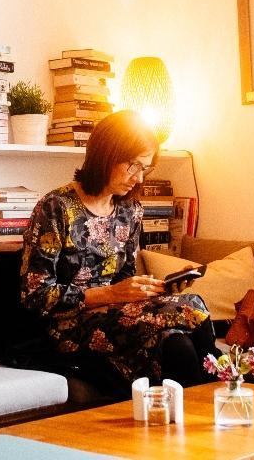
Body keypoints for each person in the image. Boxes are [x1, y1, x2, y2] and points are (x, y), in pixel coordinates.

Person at [20, 110, 217, 396]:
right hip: (67, 326)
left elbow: (126, 281)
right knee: (191, 306)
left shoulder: (130, 211)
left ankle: (199, 426)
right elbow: (34, 295)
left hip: (119, 316)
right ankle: (225, 387)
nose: (138, 178)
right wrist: (108, 295)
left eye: (145, 168)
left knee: (178, 342)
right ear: (106, 154)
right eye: (133, 165)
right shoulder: (55, 207)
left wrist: (155, 290)